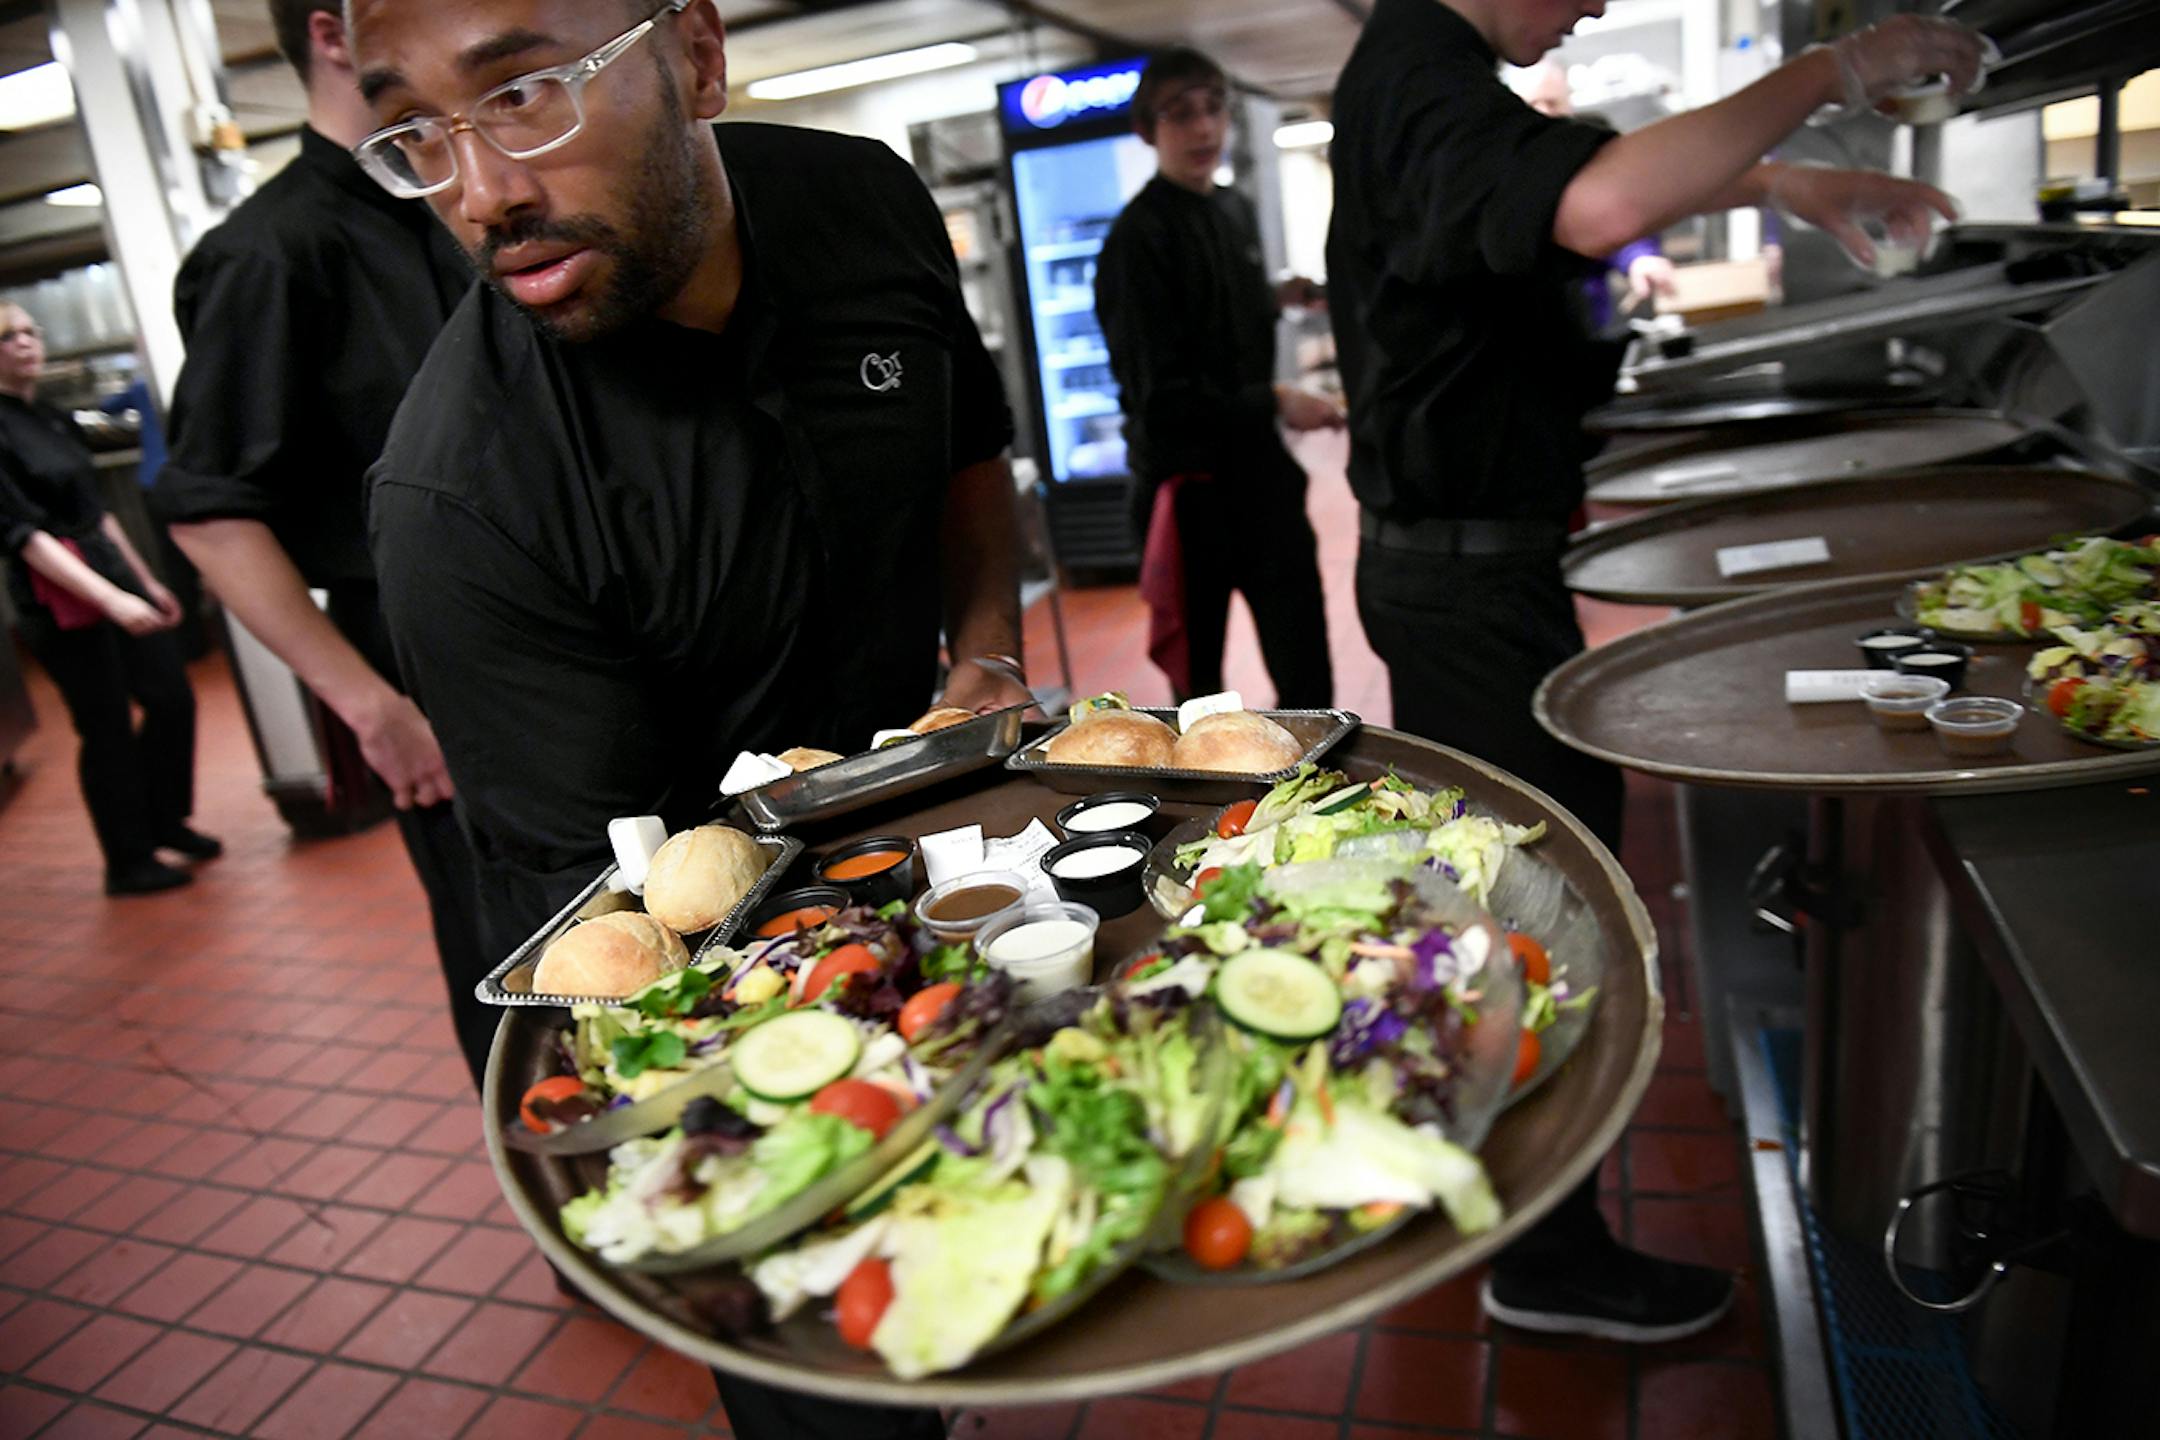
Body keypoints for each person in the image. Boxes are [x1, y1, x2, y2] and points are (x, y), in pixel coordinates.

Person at [343, 1, 1025, 1434]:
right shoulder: (467, 503)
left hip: (978, 851)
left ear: (698, 57)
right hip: (743, 1001)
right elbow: (611, 953)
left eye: (524, 93)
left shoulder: (861, 200)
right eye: (414, 133)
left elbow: (966, 436)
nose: (480, 192)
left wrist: (986, 655)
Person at [1327, 0, 1982, 1341]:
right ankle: (1543, 1251)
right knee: (1547, 913)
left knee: (1530, 897)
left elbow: (1567, 189)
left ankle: (1508, 1197)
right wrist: (1835, 71)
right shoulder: (1416, 66)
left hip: (1468, 565)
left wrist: (1789, 175)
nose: (1593, 5)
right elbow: (1590, 205)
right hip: (1461, 581)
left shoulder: (1429, 74)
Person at [158, 0, 495, 1089]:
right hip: (430, 672)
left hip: (573, 637)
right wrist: (373, 710)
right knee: (517, 958)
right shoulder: (269, 252)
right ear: (335, 34)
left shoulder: (465, 195)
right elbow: (210, 511)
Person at [1094, 47, 1338, 707]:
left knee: (1307, 674)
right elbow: (1160, 400)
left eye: (1213, 109)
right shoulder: (1134, 243)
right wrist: (1279, 399)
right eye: (1180, 115)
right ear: (1147, 130)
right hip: (1188, 498)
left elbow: (1219, 307)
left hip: (1263, 485)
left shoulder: (1232, 209)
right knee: (1200, 695)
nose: (1203, 130)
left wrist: (1279, 294)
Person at [0, 302, 218, 895]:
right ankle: (128, 860)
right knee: (107, 727)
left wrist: (143, 584)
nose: (25, 343)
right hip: (58, 597)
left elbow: (97, 513)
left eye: (30, 332)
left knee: (170, 697)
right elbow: (27, 537)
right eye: (9, 336)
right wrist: (110, 602)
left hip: (105, 568)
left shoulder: (51, 417)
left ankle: (165, 820)